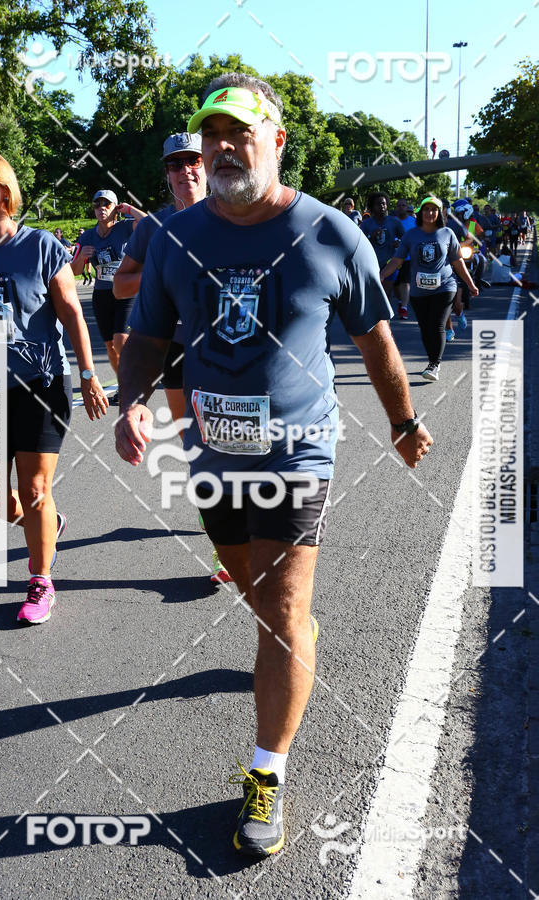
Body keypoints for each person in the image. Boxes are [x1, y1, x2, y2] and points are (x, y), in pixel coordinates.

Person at [114, 72, 433, 858]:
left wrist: (403, 420)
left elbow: (376, 342)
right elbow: (150, 333)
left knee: (283, 612)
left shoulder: (330, 234)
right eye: (210, 135)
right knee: (256, 596)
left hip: (297, 453)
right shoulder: (176, 236)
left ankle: (267, 771)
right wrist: (132, 399)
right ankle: (290, 637)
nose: (222, 148)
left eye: (239, 134)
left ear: (276, 143)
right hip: (214, 454)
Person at [0, 147, 108, 624]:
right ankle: (48, 526)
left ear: (4, 190)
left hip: (41, 381)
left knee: (34, 487)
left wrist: (91, 375)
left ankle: (40, 580)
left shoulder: (40, 246)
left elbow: (73, 313)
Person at [113, 132, 231, 585]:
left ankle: (238, 521)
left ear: (205, 163)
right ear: (167, 175)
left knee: (235, 442)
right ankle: (222, 538)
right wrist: (163, 273)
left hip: (228, 345)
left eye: (192, 162)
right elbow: (121, 285)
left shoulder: (235, 214)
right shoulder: (152, 228)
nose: (186, 172)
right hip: (177, 348)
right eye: (175, 165)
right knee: (198, 445)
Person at [380, 196, 479, 381]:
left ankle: (434, 364)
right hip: (419, 291)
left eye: (434, 210)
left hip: (444, 287)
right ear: (420, 212)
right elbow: (397, 259)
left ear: (440, 213)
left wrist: (470, 284)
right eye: (426, 209)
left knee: (438, 324)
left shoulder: (448, 233)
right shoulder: (411, 235)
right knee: (425, 328)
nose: (430, 213)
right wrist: (383, 274)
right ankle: (432, 360)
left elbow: (457, 262)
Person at [71, 191, 145, 379]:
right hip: (102, 294)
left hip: (126, 292)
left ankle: (135, 378)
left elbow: (150, 225)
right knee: (110, 346)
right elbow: (75, 271)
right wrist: (81, 257)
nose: (101, 208)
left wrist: (130, 209)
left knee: (120, 340)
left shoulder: (126, 227)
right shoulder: (87, 236)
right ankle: (124, 385)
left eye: (107, 204)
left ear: (116, 208)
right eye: (97, 204)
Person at [360, 192, 405, 300]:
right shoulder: (366, 224)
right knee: (374, 296)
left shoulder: (394, 222)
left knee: (385, 295)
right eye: (379, 204)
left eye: (384, 204)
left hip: (389, 264)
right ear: (372, 206)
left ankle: (385, 316)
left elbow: (405, 239)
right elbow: (359, 244)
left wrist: (398, 242)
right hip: (371, 264)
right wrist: (371, 237)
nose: (382, 206)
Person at [393, 197, 416, 319]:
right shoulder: (392, 221)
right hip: (393, 258)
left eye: (403, 205)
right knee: (395, 285)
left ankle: (404, 308)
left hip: (408, 257)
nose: (401, 207)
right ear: (396, 208)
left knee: (405, 282)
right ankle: (401, 300)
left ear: (407, 208)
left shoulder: (413, 222)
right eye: (399, 205)